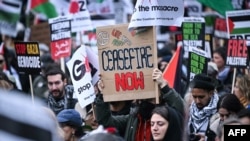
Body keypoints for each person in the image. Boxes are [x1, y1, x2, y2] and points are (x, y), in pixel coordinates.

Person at [94, 68, 185, 141]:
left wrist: (165, 87)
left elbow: (183, 110)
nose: (144, 101)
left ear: (160, 97)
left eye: (150, 98)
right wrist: (102, 95)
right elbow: (105, 121)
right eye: (143, 98)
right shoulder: (133, 118)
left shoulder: (168, 116)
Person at [187, 73, 219, 141]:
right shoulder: (190, 111)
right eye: (194, 97)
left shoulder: (220, 112)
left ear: (210, 93)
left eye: (201, 97)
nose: (197, 101)